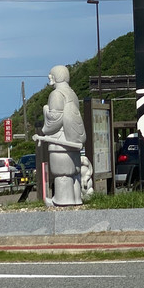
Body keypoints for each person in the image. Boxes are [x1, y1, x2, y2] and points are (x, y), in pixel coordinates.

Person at [35, 65, 87, 206]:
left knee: (62, 173)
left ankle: (62, 200)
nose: (49, 78)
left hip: (60, 141)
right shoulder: (72, 94)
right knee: (74, 174)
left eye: (51, 75)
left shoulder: (56, 94)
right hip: (73, 139)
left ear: (57, 77)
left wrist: (46, 110)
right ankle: (76, 199)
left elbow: (55, 119)